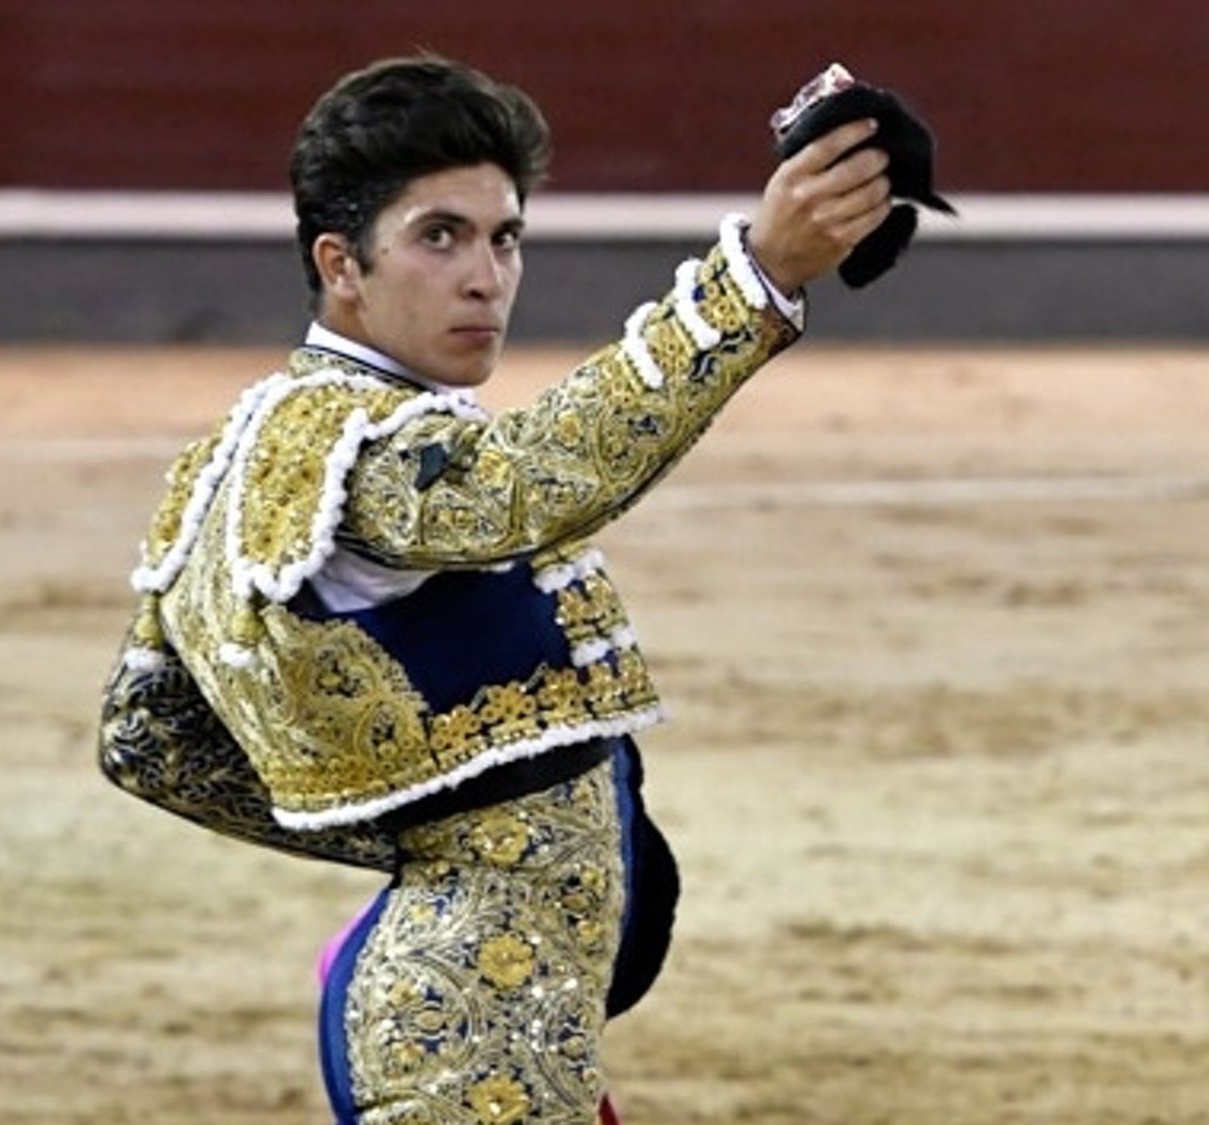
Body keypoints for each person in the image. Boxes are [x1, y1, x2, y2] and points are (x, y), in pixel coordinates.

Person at [98, 55, 892, 1125]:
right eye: (440, 236)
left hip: (486, 999)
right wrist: (756, 276)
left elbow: (147, 740)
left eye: (503, 236)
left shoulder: (260, 441)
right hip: (473, 1016)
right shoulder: (356, 448)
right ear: (342, 265)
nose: (486, 276)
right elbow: (530, 484)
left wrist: (415, 823)